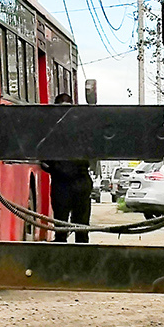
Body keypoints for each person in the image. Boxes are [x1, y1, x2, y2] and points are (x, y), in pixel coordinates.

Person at [43, 93, 94, 243]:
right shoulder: (82, 126)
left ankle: (61, 259)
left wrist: (52, 168)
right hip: (81, 180)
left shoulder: (51, 129)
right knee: (82, 227)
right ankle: (83, 260)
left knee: (60, 227)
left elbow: (44, 158)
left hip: (61, 182)